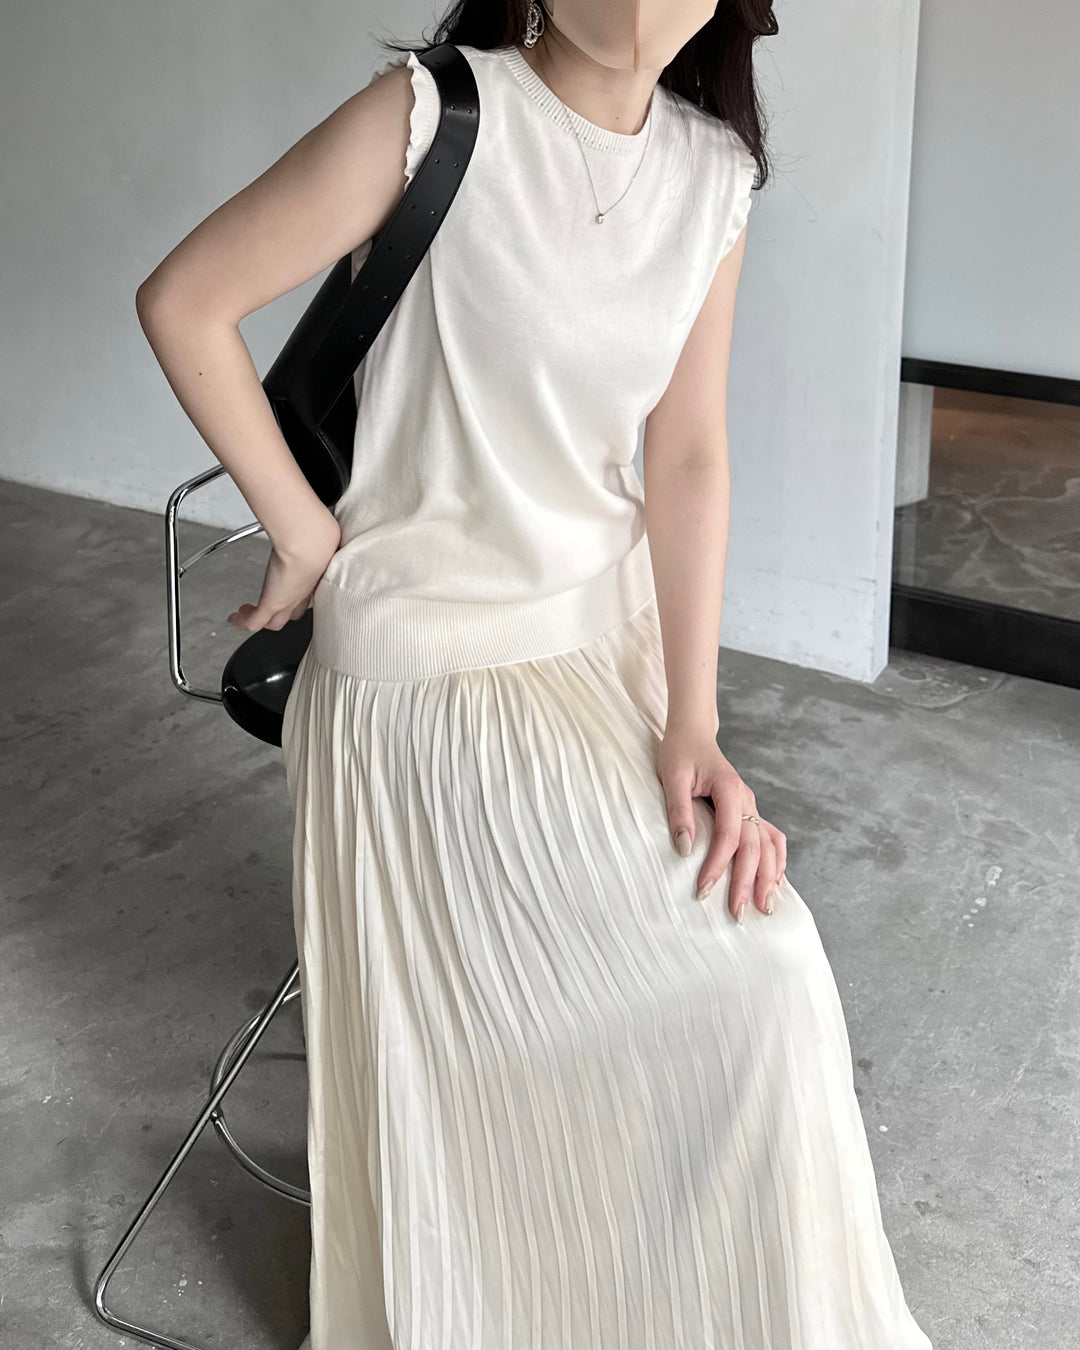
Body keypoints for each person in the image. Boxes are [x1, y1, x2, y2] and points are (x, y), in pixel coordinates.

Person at [136, 2, 935, 1347]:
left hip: (600, 655)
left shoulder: (713, 176)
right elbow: (186, 301)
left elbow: (688, 454)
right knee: (721, 989)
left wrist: (695, 722)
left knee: (770, 975)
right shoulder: (431, 115)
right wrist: (303, 528)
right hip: (419, 674)